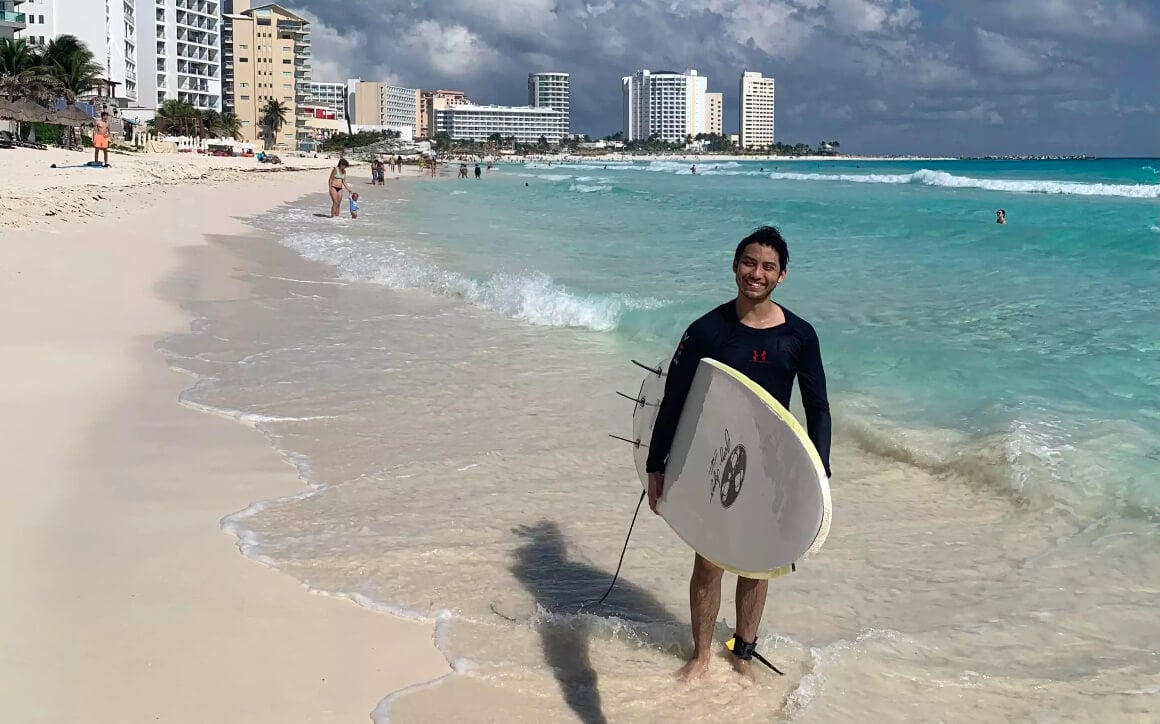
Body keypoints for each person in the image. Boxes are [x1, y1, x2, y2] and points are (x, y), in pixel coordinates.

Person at [646, 225, 832, 683]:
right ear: (735, 266)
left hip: (772, 468)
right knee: (708, 562)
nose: (756, 273)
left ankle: (743, 654)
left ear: (782, 275)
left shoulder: (800, 336)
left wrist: (819, 471)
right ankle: (702, 655)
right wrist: (657, 464)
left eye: (768, 266)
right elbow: (674, 399)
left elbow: (818, 408)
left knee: (759, 560)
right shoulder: (708, 330)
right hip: (716, 460)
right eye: (749, 263)